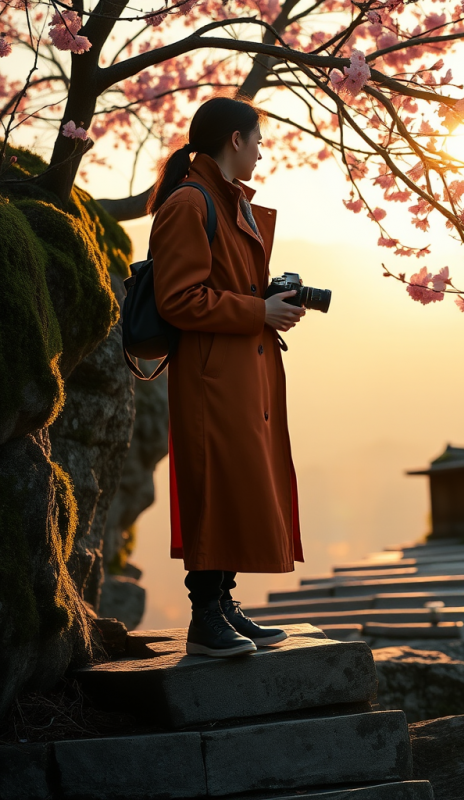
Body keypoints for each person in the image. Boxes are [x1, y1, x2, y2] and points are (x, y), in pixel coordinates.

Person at [147, 95, 306, 658]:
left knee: (238, 484)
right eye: (258, 140)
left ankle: (223, 604)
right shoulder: (191, 203)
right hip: (213, 376)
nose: (262, 152)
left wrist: (268, 303)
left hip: (239, 371)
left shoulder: (223, 200)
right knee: (215, 486)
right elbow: (179, 299)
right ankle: (203, 619)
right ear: (235, 140)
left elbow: (225, 284)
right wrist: (257, 312)